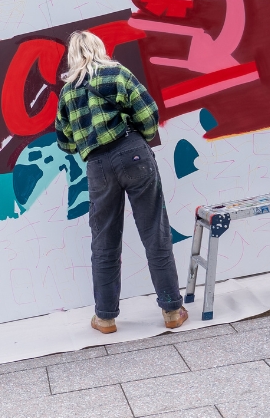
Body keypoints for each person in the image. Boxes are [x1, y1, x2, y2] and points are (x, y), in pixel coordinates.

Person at [55, 31, 187, 334]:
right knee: (155, 232)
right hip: (133, 153)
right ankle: (171, 310)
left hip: (98, 166)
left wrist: (88, 140)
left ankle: (105, 318)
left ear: (73, 56)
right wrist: (135, 135)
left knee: (103, 240)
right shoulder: (116, 72)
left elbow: (65, 142)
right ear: (100, 48)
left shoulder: (67, 93)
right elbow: (148, 114)